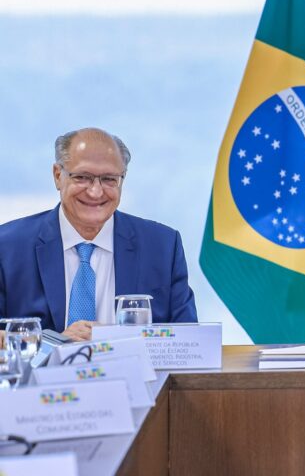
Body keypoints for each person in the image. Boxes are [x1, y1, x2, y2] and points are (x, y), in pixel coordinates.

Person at [0, 128, 197, 341]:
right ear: (58, 176)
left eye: (109, 179)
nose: (96, 191)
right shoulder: (8, 247)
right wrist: (53, 343)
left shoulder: (162, 246)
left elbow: (188, 341)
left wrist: (119, 344)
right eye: (83, 177)